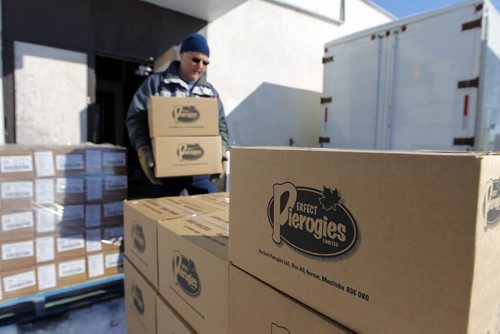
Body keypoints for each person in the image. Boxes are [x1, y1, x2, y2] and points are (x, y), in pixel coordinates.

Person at [126, 33, 229, 197]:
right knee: (167, 216)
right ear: (181, 55)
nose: (200, 66)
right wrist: (143, 149)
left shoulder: (210, 92)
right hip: (167, 168)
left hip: (202, 170)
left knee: (207, 215)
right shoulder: (156, 84)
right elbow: (135, 118)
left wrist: (222, 150)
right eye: (195, 59)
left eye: (205, 62)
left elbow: (221, 124)